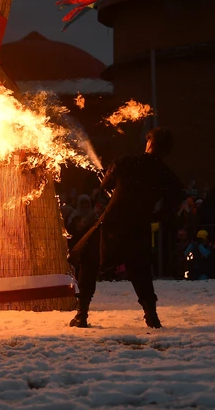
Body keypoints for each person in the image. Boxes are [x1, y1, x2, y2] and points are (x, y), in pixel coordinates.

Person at [69, 127, 181, 329]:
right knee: (140, 272)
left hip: (112, 225)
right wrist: (151, 215)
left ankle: (81, 315)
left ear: (150, 144)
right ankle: (151, 317)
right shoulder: (168, 177)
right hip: (138, 229)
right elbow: (170, 208)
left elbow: (104, 186)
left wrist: (112, 180)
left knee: (87, 258)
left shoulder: (126, 162)